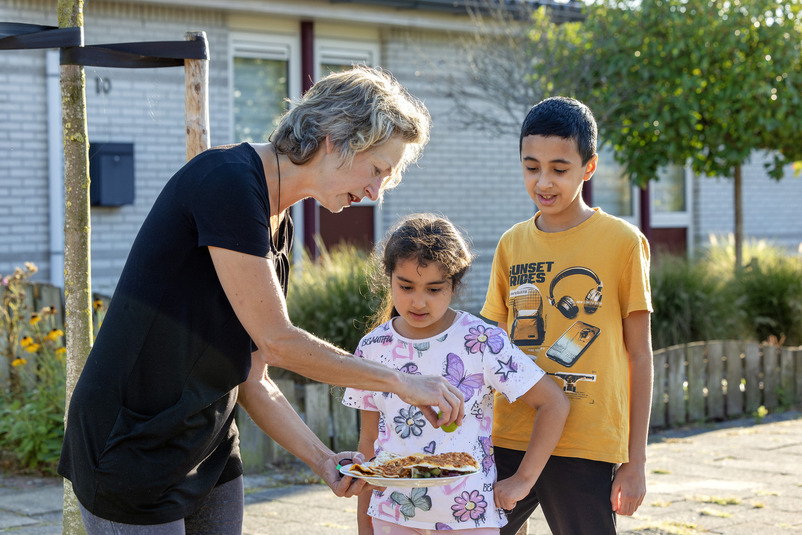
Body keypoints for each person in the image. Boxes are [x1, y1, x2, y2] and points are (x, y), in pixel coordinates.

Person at [58, 66, 467, 534]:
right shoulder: (228, 182)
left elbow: (255, 377)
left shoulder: (279, 220)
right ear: (335, 139)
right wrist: (400, 382)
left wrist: (323, 459)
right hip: (131, 447)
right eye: (377, 170)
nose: (376, 192)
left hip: (207, 445)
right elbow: (278, 341)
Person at [481, 96, 654, 535]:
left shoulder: (623, 243)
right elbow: (493, 347)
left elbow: (640, 355)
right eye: (531, 167)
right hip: (511, 436)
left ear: (588, 167)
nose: (543, 181)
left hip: (585, 443)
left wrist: (635, 461)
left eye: (559, 169)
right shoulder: (511, 244)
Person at [342, 213, 569, 534]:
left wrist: (523, 479)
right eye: (406, 286)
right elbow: (369, 442)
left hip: (470, 515)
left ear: (455, 285)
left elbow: (554, 403)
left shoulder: (481, 341)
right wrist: (364, 524)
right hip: (391, 514)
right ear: (389, 277)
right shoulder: (371, 347)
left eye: (434, 289)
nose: (418, 301)